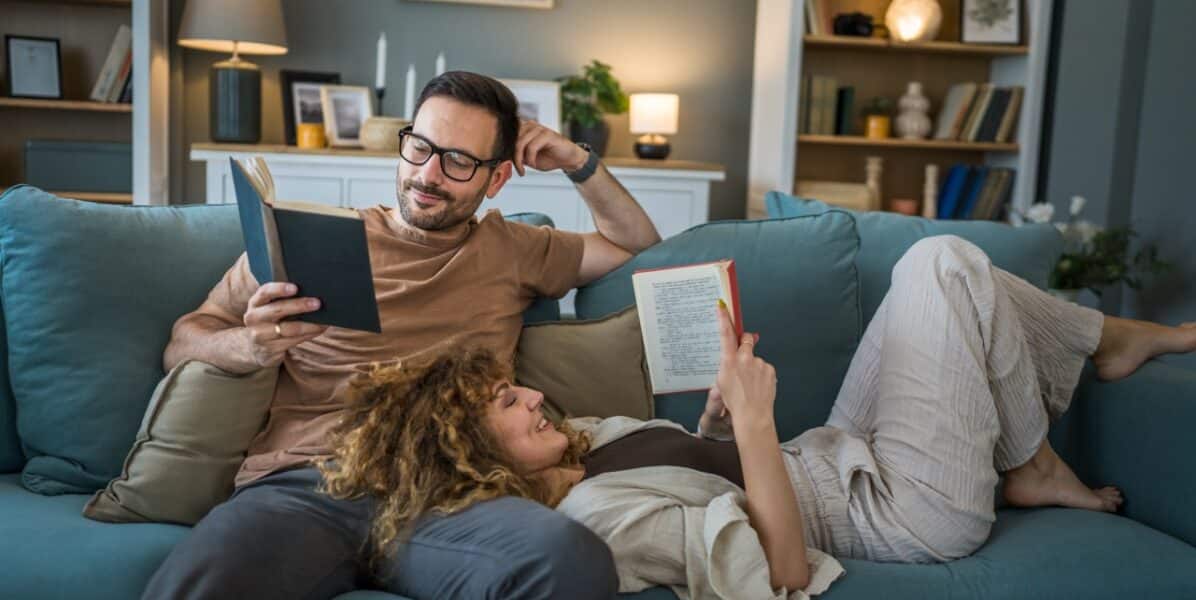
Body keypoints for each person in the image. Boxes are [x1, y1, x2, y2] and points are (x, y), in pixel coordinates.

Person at [320, 235, 1196, 600]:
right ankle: (1047, 438)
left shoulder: (584, 452)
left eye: (518, 389)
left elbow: (704, 473)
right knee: (944, 263)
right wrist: (750, 421)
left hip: (834, 452)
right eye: (511, 406)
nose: (535, 394)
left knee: (944, 278)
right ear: (479, 458)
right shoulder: (593, 521)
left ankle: (1098, 351)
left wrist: (715, 412)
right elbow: (778, 573)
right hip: (898, 514)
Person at [144, 71, 662, 600]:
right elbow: (184, 340)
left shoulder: (514, 248)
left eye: (459, 160)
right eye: (420, 147)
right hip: (305, 484)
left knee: (569, 558)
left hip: (450, 496)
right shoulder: (305, 239)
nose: (428, 174)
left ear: (497, 179)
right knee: (202, 578)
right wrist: (246, 346)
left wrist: (579, 162)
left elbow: (637, 246)